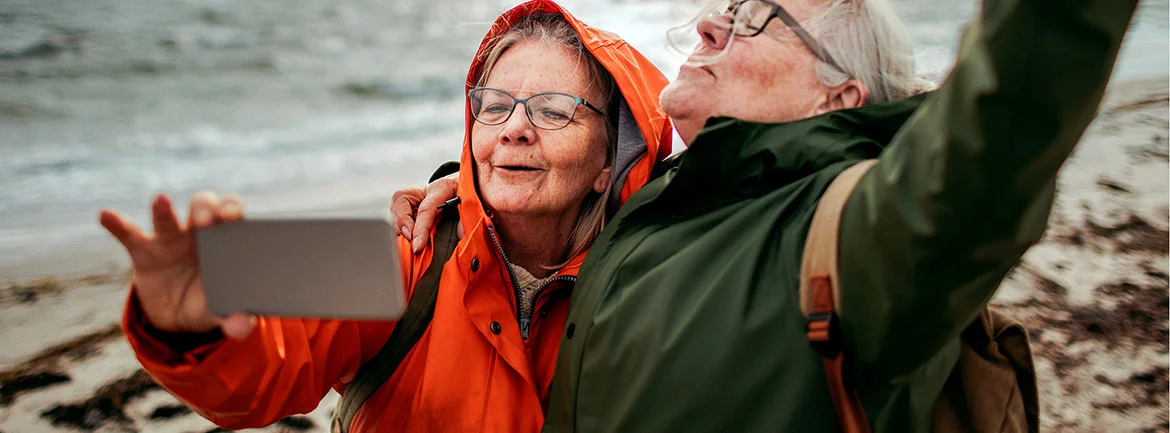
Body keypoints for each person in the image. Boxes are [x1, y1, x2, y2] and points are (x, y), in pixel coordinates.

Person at [393, 0, 1140, 430]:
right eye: (720, 8)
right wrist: (473, 193)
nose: (713, 24)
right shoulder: (663, 204)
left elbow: (996, 131)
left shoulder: (854, 235)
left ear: (838, 96)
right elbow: (560, 182)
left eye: (758, 15)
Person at [96, 1, 672, 431]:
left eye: (553, 111)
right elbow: (267, 371)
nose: (514, 128)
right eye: (495, 107)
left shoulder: (649, 287)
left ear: (610, 160)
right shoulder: (403, 250)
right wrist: (190, 332)